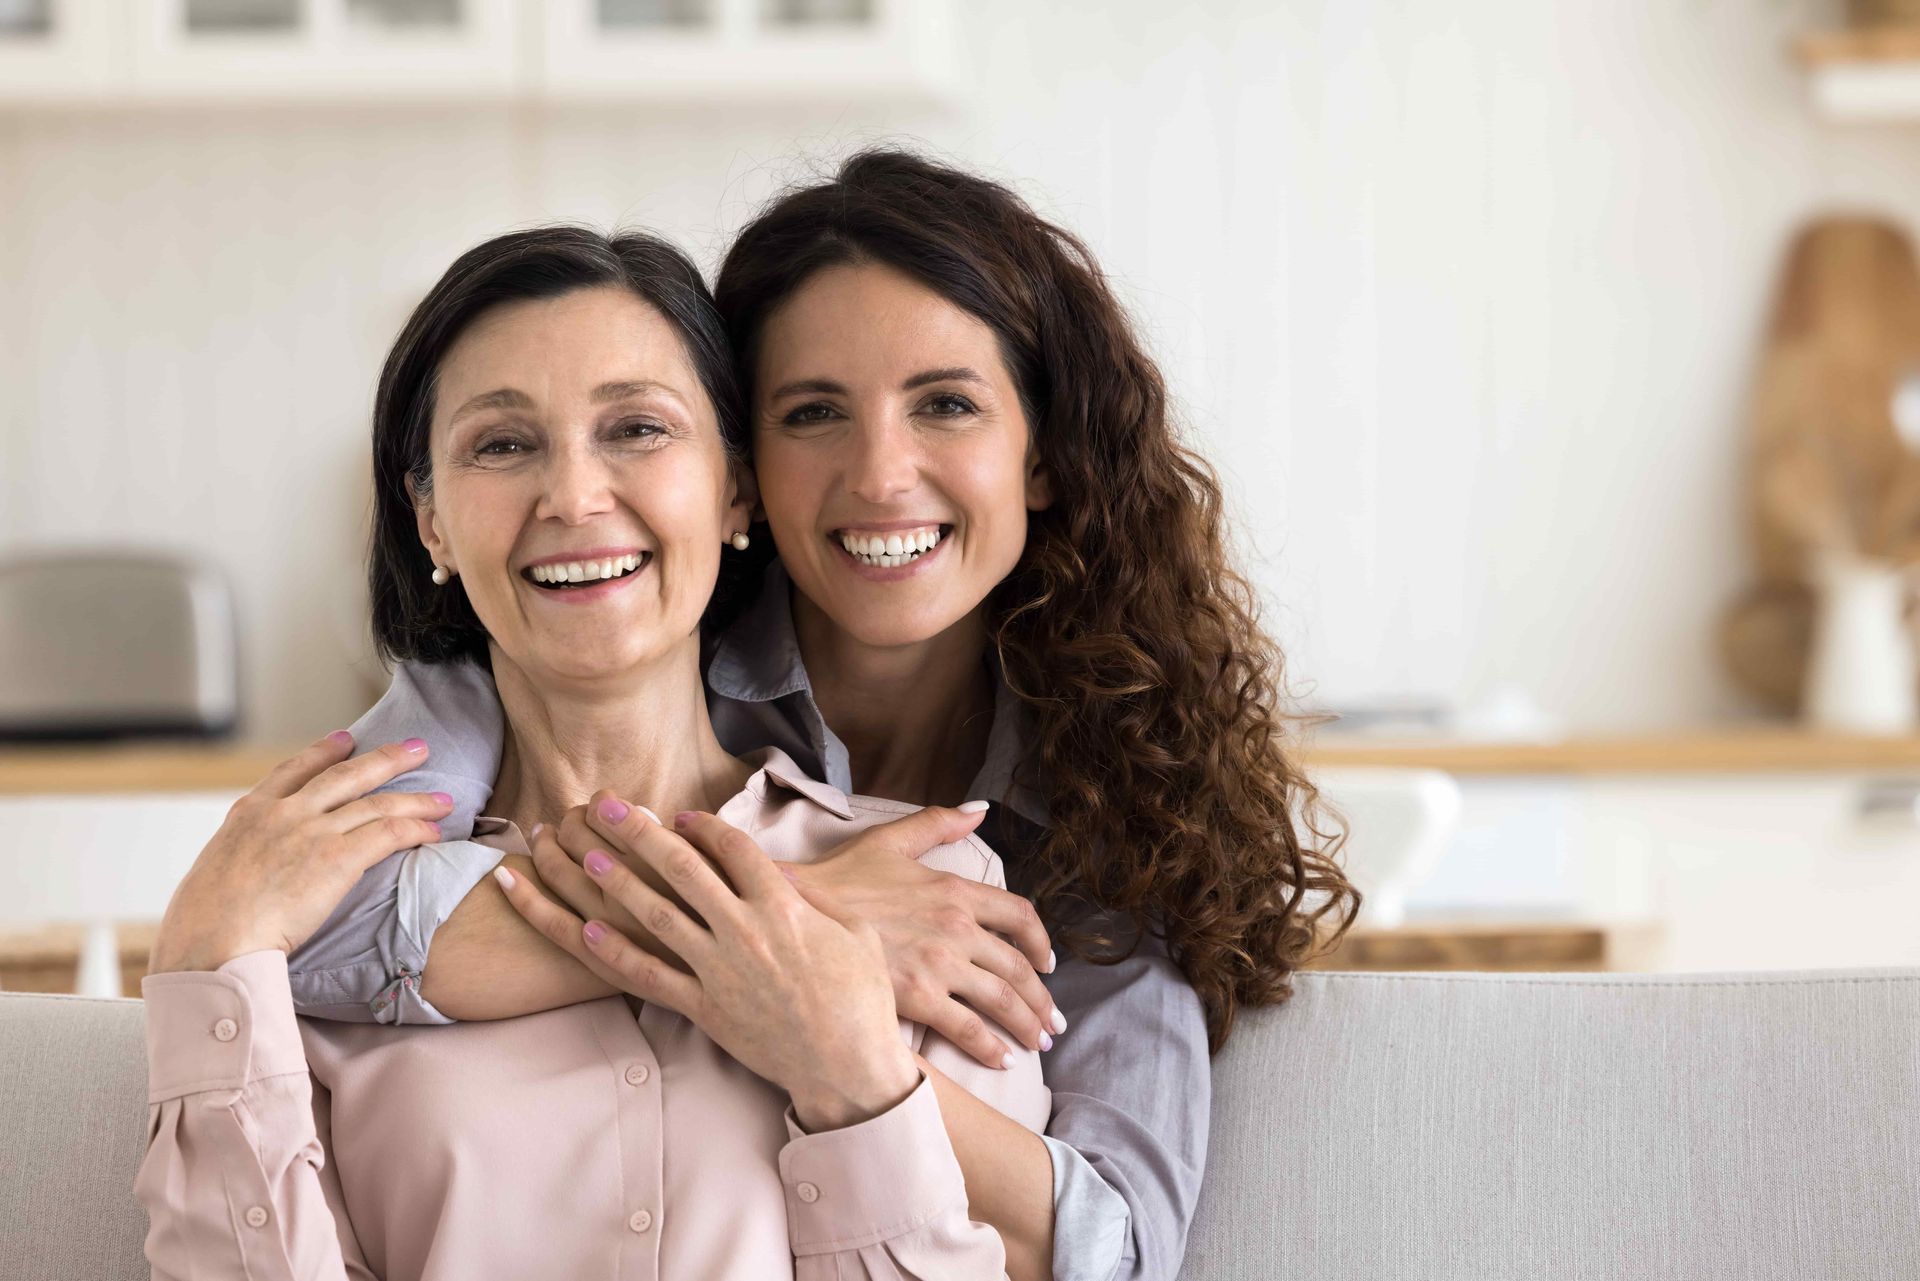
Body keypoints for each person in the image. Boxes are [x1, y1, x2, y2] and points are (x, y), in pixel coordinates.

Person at [289, 150, 1362, 1281]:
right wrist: (806, 914)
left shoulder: (1117, 787)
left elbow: (1113, 1245)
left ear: (1044, 453)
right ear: (740, 466)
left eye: (946, 404)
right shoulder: (615, 637)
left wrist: (809, 1018)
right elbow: (310, 932)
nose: (882, 474)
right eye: (813, 414)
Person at [136, 227, 1049, 1280]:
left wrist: (849, 1082)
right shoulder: (308, 917)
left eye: (636, 429)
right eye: (502, 444)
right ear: (428, 521)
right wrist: (207, 962)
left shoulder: (931, 895)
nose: (572, 496)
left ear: (736, 492)